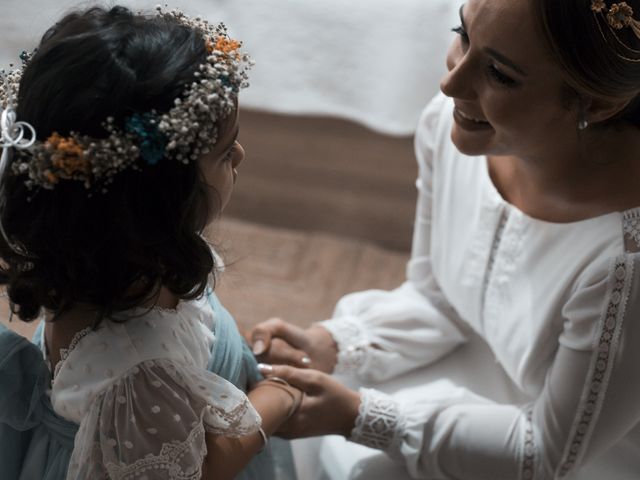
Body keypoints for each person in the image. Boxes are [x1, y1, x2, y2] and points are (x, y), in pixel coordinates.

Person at [250, 0, 640, 478]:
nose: (449, 82)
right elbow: (441, 296)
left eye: (499, 73)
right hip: (480, 369)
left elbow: (547, 451)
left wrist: (360, 416)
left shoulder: (623, 264)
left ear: (597, 102)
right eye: (463, 34)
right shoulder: (453, 125)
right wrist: (330, 343)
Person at [0, 5, 302, 480]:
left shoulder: (91, 247)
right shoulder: (137, 375)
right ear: (156, 206)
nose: (241, 154)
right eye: (225, 152)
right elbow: (202, 467)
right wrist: (279, 397)